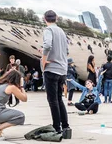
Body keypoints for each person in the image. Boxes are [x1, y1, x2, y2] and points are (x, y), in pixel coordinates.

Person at [41, 10, 71, 138]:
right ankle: (66, 126)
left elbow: (47, 44)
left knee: (52, 100)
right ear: (56, 18)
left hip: (51, 68)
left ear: (44, 19)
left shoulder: (48, 30)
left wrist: (43, 58)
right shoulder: (62, 32)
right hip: (62, 69)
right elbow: (67, 50)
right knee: (59, 99)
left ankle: (56, 128)